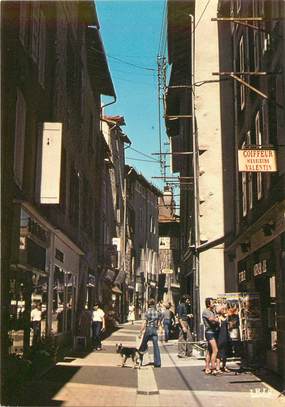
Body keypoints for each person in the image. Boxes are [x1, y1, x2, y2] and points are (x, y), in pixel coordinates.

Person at [139, 298, 162, 368]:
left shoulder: (147, 312)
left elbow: (144, 323)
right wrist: (159, 328)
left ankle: (140, 359)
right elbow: (159, 322)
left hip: (148, 329)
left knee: (143, 344)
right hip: (154, 330)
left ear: (148, 304)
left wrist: (140, 331)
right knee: (156, 346)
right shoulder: (157, 312)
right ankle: (157, 363)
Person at [202, 298, 220, 375]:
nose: (214, 304)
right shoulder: (206, 311)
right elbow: (212, 320)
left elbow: (216, 318)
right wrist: (216, 319)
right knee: (215, 350)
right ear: (208, 304)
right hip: (209, 333)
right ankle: (213, 368)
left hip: (213, 331)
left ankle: (207, 368)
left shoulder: (213, 311)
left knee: (209, 351)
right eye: (212, 302)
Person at [217, 304, 231, 372]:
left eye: (226, 309)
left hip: (226, 336)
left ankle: (224, 366)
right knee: (219, 352)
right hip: (220, 336)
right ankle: (218, 367)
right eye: (223, 309)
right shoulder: (219, 318)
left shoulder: (227, 318)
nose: (225, 311)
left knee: (225, 352)